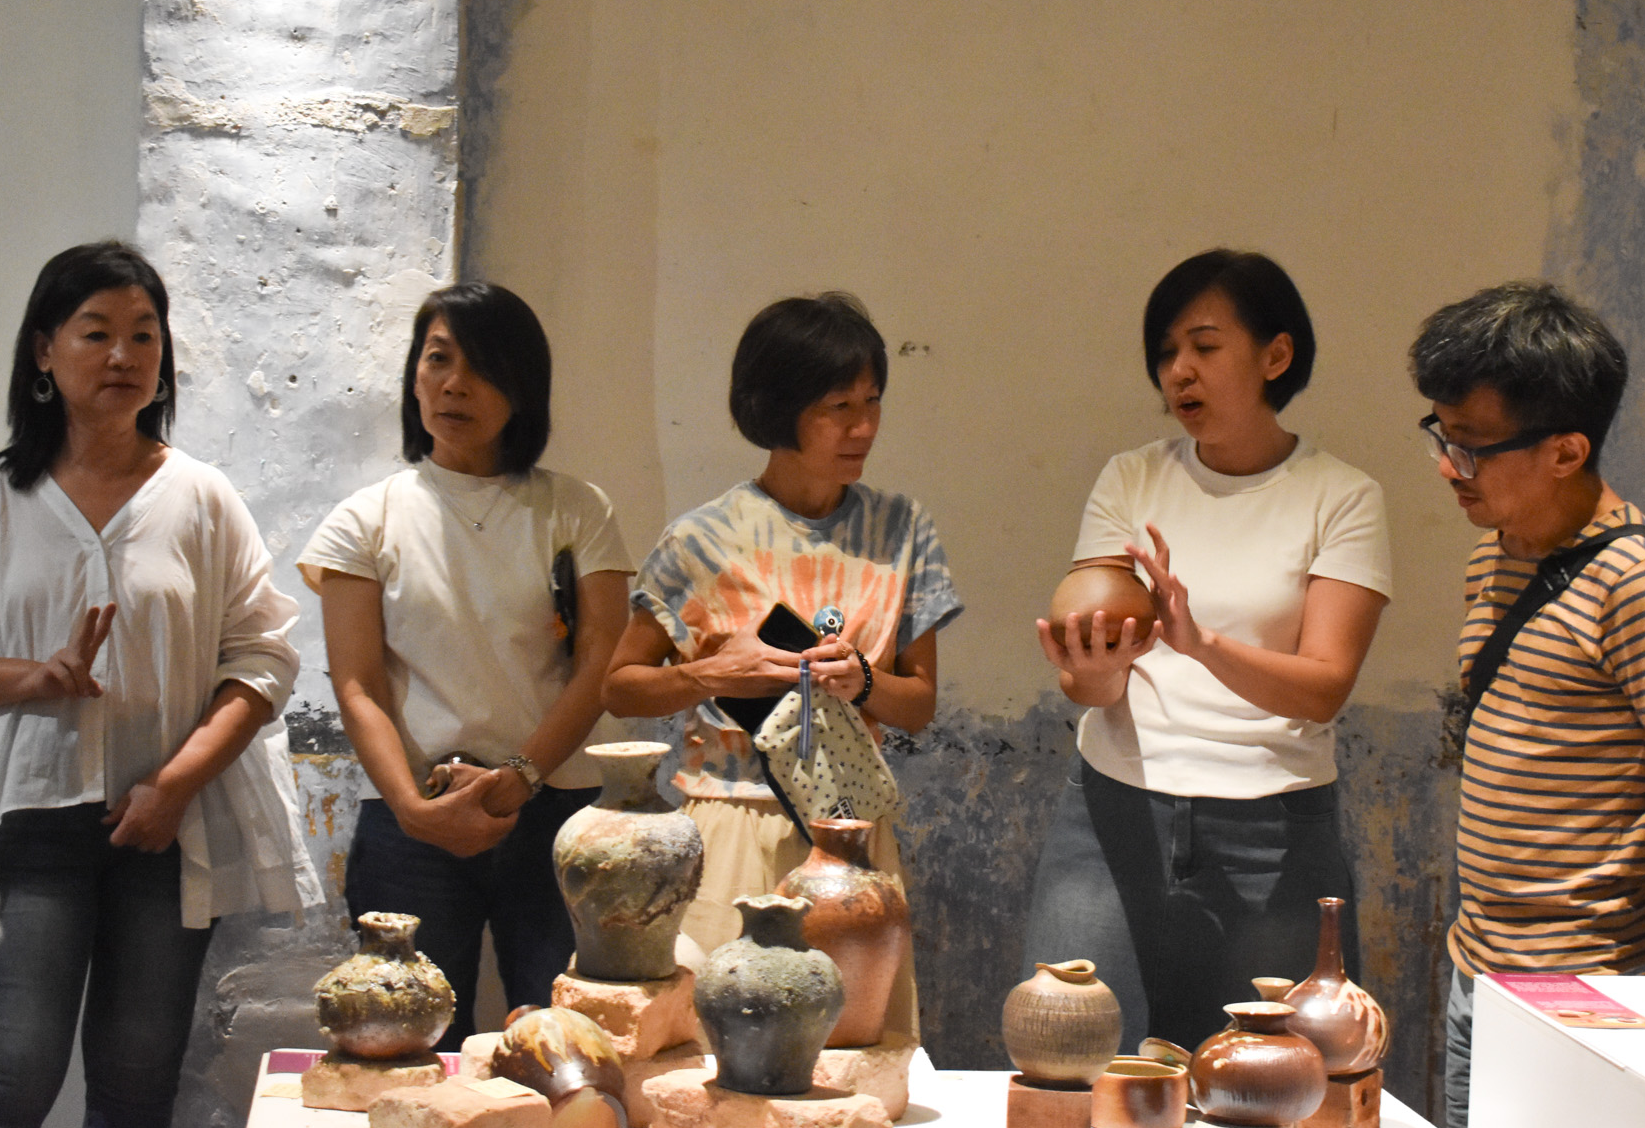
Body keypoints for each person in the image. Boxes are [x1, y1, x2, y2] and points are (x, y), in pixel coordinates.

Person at [0, 241, 322, 1128]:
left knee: (137, 1088)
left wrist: (175, 784)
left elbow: (263, 655)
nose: (124, 354)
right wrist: (30, 676)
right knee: (11, 1081)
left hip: (165, 829)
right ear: (44, 350)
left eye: (144, 333)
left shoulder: (201, 496)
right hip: (31, 823)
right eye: (95, 332)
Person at [1019, 249, 1393, 1056]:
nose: (1178, 370)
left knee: (1273, 1077)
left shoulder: (1342, 496)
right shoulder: (1131, 479)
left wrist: (1202, 643)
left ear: (1276, 355)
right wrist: (1090, 669)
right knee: (1069, 1057)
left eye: (1204, 345)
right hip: (1115, 810)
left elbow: (1324, 686)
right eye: (1166, 352)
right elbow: (1097, 683)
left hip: (1274, 829)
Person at [1410, 280, 1645, 1128]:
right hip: (1480, 968)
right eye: (1441, 436)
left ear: (1566, 450)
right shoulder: (1497, 557)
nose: (1449, 466)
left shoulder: (1638, 583)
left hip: (1591, 986)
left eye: (1472, 447)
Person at [604, 292, 961, 1031]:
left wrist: (865, 680)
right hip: (730, 818)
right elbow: (620, 687)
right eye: (838, 407)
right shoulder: (701, 539)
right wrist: (709, 674)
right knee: (720, 1050)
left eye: (872, 401)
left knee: (854, 1053)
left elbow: (920, 703)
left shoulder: (902, 529)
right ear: (777, 408)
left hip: (851, 828)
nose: (863, 426)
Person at [299, 282, 633, 1048]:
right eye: (438, 360)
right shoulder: (365, 519)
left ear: (523, 386)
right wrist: (414, 809)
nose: (454, 385)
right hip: (414, 816)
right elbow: (357, 684)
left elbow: (600, 661)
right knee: (408, 1045)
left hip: (556, 811)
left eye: (482, 367)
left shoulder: (576, 509)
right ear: (414, 375)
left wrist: (520, 777)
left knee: (567, 1040)